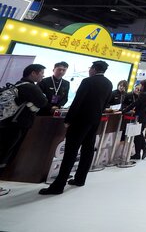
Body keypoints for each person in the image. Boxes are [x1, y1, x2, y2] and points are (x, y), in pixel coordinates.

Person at [39, 61, 113, 195]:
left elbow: (78, 101)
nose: (89, 70)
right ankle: (80, 179)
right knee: (88, 150)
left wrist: (68, 120)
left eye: (90, 68)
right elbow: (106, 103)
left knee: (70, 151)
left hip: (80, 121)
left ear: (94, 69)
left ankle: (58, 185)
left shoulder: (87, 81)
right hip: (95, 120)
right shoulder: (109, 83)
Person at [0, 64, 47, 171]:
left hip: (6, 121)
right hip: (17, 124)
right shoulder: (31, 87)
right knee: (6, 152)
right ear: (33, 73)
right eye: (41, 73)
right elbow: (43, 102)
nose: (43, 76)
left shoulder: (18, 84)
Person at [123, 79, 146, 160]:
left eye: (141, 85)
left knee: (138, 133)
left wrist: (124, 111)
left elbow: (135, 104)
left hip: (140, 116)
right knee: (137, 134)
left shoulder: (143, 94)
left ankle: (143, 148)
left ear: (143, 86)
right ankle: (138, 153)